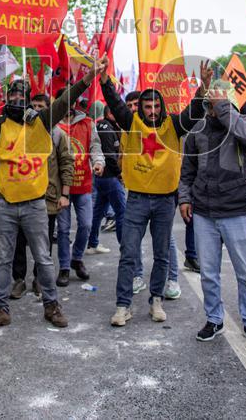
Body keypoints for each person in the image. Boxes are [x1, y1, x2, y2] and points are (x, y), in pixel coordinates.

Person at [0, 62, 103, 333]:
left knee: (43, 259)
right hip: (3, 205)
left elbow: (65, 99)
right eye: (11, 95)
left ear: (29, 101)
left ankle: (52, 305)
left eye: (20, 96)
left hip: (36, 205)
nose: (15, 99)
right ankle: (0, 310)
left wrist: (88, 78)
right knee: (3, 259)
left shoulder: (43, 121)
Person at [103, 61, 208, 328]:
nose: (151, 111)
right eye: (147, 107)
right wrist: (104, 79)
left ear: (162, 107)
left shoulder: (174, 125)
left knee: (162, 254)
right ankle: (123, 305)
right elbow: (115, 102)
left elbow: (194, 111)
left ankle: (156, 300)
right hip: (136, 198)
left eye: (156, 107)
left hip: (165, 200)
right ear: (140, 108)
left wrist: (204, 87)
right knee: (128, 252)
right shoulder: (132, 121)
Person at [179, 80, 246, 345]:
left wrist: (224, 108)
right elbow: (187, 169)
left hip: (238, 210)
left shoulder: (244, 122)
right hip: (204, 213)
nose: (215, 103)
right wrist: (184, 198)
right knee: (208, 273)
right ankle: (214, 320)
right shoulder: (197, 129)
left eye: (220, 98)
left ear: (227, 99)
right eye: (212, 98)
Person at [10, 92, 74, 299]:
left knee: (43, 243)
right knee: (18, 242)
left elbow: (66, 163)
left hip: (47, 199)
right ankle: (19, 280)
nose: (36, 110)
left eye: (41, 107)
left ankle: (39, 279)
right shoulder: (19, 131)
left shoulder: (58, 134)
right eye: (33, 106)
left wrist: (65, 194)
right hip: (20, 196)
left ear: (49, 110)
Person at [56, 94, 104, 285]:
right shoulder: (53, 124)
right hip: (61, 188)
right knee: (63, 229)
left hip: (84, 184)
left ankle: (76, 258)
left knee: (86, 224)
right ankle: (64, 267)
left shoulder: (87, 122)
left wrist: (98, 162)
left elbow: (95, 146)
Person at [85, 104, 126, 255]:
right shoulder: (107, 128)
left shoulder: (104, 125)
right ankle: (126, 248)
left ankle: (92, 243)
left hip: (101, 177)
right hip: (109, 177)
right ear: (110, 113)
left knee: (98, 212)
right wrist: (119, 174)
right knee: (122, 212)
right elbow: (109, 156)